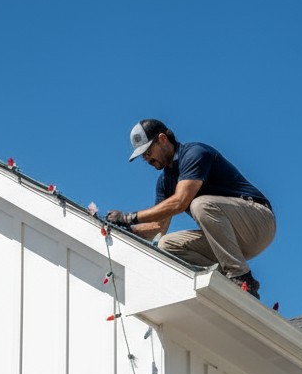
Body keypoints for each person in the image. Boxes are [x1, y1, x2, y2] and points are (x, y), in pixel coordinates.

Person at [106, 119, 275, 300]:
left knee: (200, 204)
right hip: (229, 241)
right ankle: (229, 282)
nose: (147, 158)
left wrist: (128, 217)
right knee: (166, 245)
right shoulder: (164, 182)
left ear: (162, 139)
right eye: (143, 156)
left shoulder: (194, 153)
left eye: (148, 151)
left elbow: (180, 202)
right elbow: (157, 227)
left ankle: (242, 278)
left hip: (258, 221)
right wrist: (126, 230)